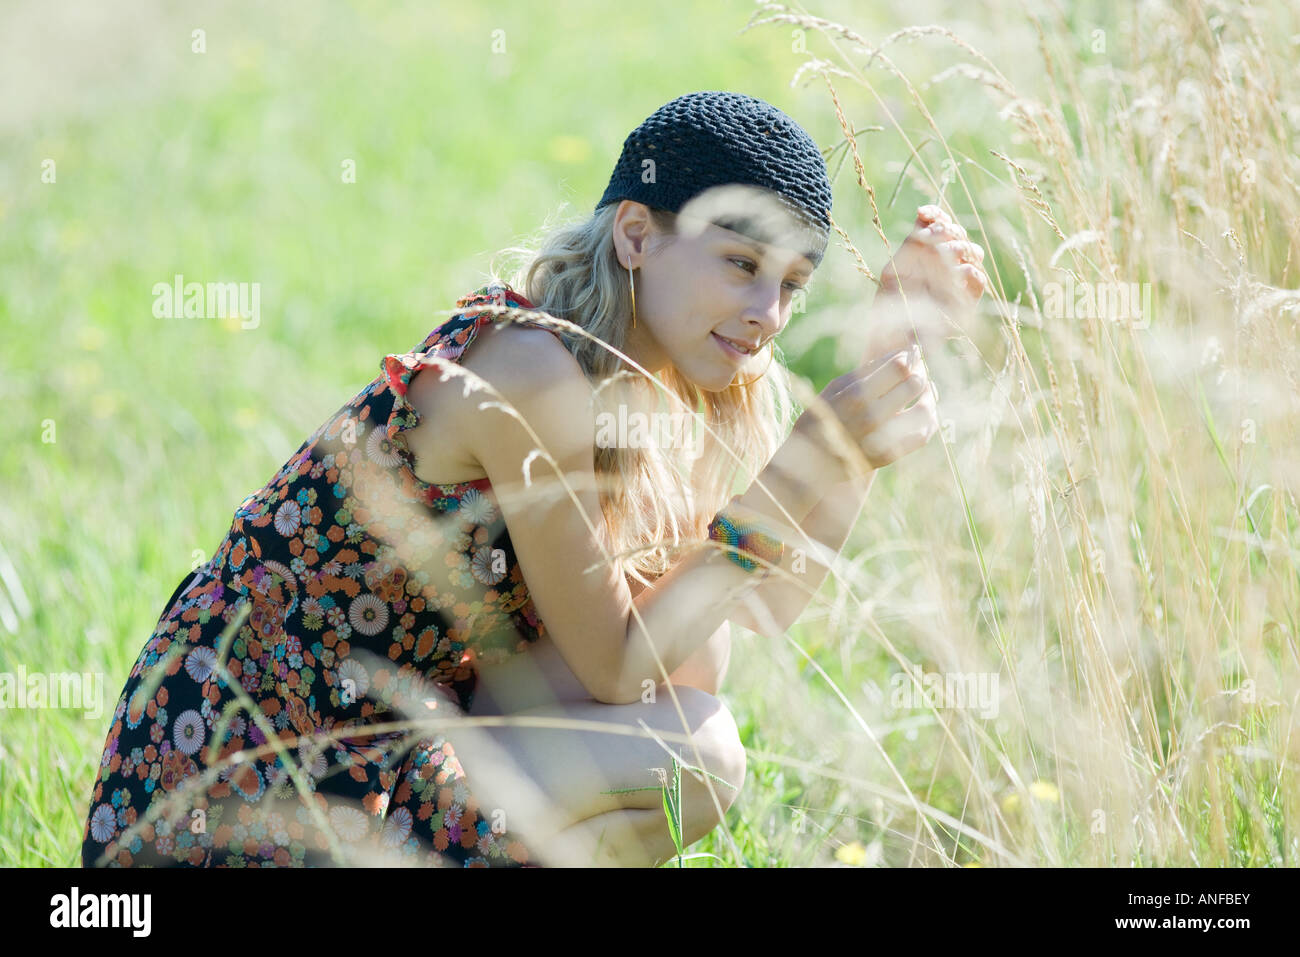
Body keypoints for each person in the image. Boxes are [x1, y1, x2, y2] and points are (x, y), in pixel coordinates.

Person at [80, 90, 987, 868]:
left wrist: (867, 418)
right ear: (637, 234)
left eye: (792, 284)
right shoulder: (527, 372)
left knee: (691, 708)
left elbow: (734, 625)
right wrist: (819, 444)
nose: (766, 313)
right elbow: (621, 663)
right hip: (239, 779)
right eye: (742, 265)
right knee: (691, 753)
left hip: (372, 743)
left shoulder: (656, 393)